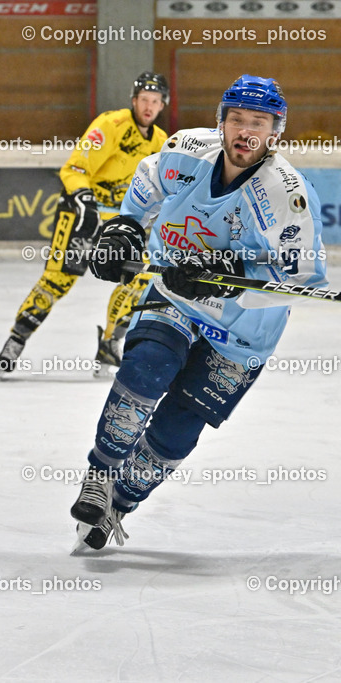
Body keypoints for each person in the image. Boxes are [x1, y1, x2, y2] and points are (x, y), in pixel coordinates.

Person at [71, 75, 326, 550]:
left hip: (243, 331)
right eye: (236, 120)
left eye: (258, 122)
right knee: (144, 369)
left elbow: (301, 279)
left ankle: (120, 503)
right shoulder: (188, 148)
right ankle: (101, 474)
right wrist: (126, 225)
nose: (245, 131)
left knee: (177, 430)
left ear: (276, 131)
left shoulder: (287, 196)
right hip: (178, 298)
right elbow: (148, 178)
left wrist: (228, 268)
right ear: (221, 122)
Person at [0, 72, 170, 377]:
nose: (148, 106)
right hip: (82, 214)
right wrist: (84, 201)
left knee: (139, 279)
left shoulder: (160, 142)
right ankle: (17, 338)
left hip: (120, 223)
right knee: (58, 280)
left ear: (162, 105)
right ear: (134, 100)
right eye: (144, 99)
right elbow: (74, 169)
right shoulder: (111, 125)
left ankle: (110, 342)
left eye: (155, 101)